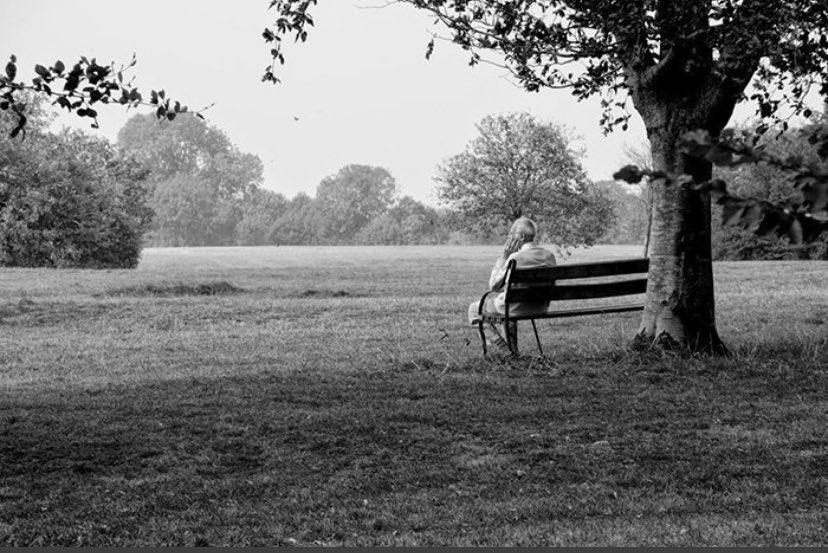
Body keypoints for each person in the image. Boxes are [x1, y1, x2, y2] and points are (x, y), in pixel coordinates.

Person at [468, 217, 557, 355]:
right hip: (540, 306)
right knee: (508, 302)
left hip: (514, 308)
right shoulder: (549, 255)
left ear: (521, 236)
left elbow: (494, 286)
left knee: (474, 309)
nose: (508, 238)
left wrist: (504, 256)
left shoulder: (515, 257)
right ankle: (513, 350)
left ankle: (504, 349)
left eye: (511, 234)